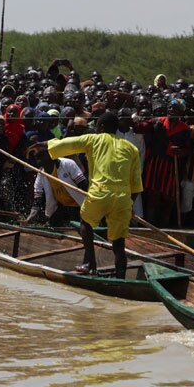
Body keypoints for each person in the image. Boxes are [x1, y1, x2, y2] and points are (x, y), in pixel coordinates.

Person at [47, 111, 142, 278]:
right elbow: (136, 185)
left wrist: (45, 144)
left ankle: (90, 263)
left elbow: (65, 145)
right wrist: (130, 205)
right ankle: (121, 278)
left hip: (100, 193)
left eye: (97, 126)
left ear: (101, 127)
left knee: (86, 223)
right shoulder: (131, 148)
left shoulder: (93, 139)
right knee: (119, 243)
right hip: (122, 198)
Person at [26, 144, 88, 226]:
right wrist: (31, 216)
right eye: (36, 155)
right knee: (52, 226)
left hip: (78, 206)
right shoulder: (41, 174)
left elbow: (84, 185)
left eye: (41, 155)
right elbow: (38, 198)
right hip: (62, 206)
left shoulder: (67, 164)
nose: (37, 157)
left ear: (50, 154)